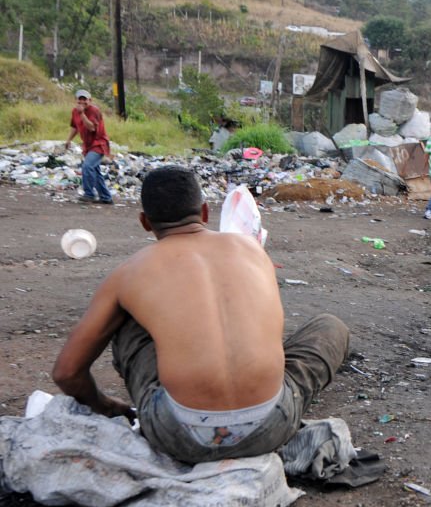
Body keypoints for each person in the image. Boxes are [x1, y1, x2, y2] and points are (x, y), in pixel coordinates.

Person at [51, 165, 351, 464]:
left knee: (125, 318)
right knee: (330, 327)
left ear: (145, 222)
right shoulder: (252, 250)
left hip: (178, 436)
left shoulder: (128, 273)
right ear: (205, 212)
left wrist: (106, 406)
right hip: (271, 427)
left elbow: (67, 372)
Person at [64, 89, 114, 204]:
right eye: (79, 99)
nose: (82, 102)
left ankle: (89, 194)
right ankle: (106, 197)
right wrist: (68, 140)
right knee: (94, 171)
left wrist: (82, 114)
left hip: (99, 143)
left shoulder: (94, 111)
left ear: (90, 100)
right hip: (88, 145)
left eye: (84, 99)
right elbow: (75, 127)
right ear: (76, 100)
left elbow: (91, 127)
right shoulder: (74, 111)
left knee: (87, 166)